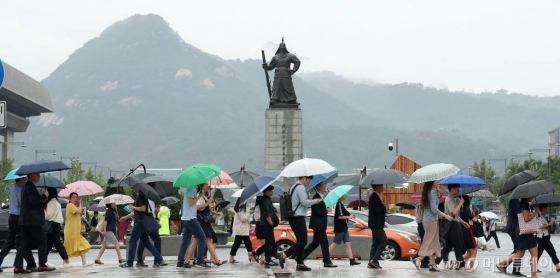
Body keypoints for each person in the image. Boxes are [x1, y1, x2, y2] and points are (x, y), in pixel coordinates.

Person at [277, 176, 322, 271]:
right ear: (304, 178)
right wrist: (315, 201)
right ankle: (285, 254)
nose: (309, 182)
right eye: (309, 179)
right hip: (298, 217)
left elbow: (300, 203)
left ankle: (300, 264)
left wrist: (308, 199)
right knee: (303, 241)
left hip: (293, 217)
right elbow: (305, 203)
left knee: (300, 241)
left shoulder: (293, 186)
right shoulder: (301, 187)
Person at [14, 172, 55, 274]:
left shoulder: (26, 186)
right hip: (32, 221)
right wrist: (44, 196)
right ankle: (42, 264)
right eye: (38, 174)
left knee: (23, 244)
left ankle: (18, 266)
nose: (39, 176)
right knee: (42, 241)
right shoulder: (30, 186)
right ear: (32, 175)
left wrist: (43, 201)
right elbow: (33, 202)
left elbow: (32, 203)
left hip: (26, 220)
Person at [413, 181, 454, 272]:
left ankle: (432, 264)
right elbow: (434, 209)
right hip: (431, 220)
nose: (438, 182)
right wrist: (445, 215)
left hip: (430, 220)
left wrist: (437, 196)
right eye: (436, 180)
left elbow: (432, 206)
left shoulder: (429, 191)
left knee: (434, 242)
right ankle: (419, 258)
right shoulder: (431, 192)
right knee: (428, 240)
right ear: (432, 182)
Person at [119, 189, 164, 268]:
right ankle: (159, 258)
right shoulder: (144, 196)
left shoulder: (141, 196)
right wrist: (127, 216)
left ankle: (129, 262)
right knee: (147, 243)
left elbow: (143, 208)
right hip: (144, 222)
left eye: (133, 188)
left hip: (140, 222)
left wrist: (133, 207)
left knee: (132, 242)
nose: (133, 190)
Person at [0, 177, 37, 272]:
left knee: (10, 242)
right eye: (25, 179)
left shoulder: (13, 189)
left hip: (12, 216)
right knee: (23, 240)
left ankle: (30, 264)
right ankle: (29, 264)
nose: (26, 181)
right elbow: (23, 204)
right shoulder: (20, 190)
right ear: (21, 180)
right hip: (18, 217)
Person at [496, 197, 539, 278]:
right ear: (527, 196)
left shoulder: (521, 205)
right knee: (534, 254)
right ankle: (534, 275)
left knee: (519, 254)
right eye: (531, 196)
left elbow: (523, 217)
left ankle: (500, 263)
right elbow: (526, 219)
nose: (532, 197)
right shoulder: (525, 205)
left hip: (521, 231)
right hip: (526, 233)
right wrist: (535, 213)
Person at [302, 182, 337, 268]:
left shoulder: (321, 197)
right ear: (318, 187)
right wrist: (326, 211)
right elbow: (316, 211)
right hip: (318, 225)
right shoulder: (316, 198)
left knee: (315, 243)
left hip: (319, 224)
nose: (325, 187)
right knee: (324, 243)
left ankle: (299, 257)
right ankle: (327, 261)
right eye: (324, 185)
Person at [435, 184, 469, 270]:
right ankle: (461, 265)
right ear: (452, 189)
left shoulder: (453, 199)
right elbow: (453, 213)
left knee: (448, 247)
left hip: (454, 224)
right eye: (457, 189)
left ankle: (435, 262)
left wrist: (463, 222)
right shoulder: (449, 199)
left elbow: (456, 216)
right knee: (458, 246)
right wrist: (460, 203)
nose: (458, 190)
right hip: (452, 226)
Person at [177, 183, 208, 268]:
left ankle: (180, 262)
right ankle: (200, 261)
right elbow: (190, 202)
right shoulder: (191, 188)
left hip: (186, 218)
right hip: (190, 218)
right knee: (202, 238)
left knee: (186, 241)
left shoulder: (191, 188)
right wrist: (200, 196)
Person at [262, 38, 301, 106]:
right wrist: (266, 67)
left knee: (288, 87)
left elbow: (297, 62)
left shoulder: (290, 56)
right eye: (281, 48)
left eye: (283, 48)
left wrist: (293, 70)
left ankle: (292, 100)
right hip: (278, 74)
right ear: (279, 48)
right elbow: (271, 66)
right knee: (276, 86)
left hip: (286, 73)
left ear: (285, 48)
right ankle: (275, 99)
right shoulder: (275, 57)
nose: (282, 49)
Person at [195, 183, 225, 266]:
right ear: (202, 186)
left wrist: (212, 210)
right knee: (208, 239)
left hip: (205, 221)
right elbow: (197, 207)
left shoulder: (204, 196)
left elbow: (204, 207)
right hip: (202, 220)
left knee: (211, 239)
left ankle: (211, 259)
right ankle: (214, 259)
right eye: (206, 185)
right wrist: (208, 203)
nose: (208, 187)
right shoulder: (199, 195)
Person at [328, 194, 361, 266]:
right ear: (340, 196)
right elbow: (339, 216)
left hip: (344, 228)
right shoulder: (339, 204)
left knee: (348, 244)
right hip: (340, 228)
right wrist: (349, 216)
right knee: (335, 243)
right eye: (344, 195)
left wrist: (351, 215)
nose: (345, 196)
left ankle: (351, 260)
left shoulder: (341, 205)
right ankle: (326, 257)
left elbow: (345, 213)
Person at [63, 192, 93, 267]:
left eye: (76, 197)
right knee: (68, 246)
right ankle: (65, 262)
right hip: (71, 230)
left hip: (75, 231)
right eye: (73, 197)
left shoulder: (73, 206)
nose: (75, 199)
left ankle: (83, 262)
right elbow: (79, 211)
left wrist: (80, 211)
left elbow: (79, 213)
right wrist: (80, 204)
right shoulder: (70, 205)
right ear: (70, 198)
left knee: (81, 245)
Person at [44, 187, 70, 268]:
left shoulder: (51, 203)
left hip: (53, 225)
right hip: (56, 224)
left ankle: (66, 260)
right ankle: (43, 260)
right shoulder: (55, 202)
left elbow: (48, 216)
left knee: (57, 243)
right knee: (48, 244)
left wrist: (42, 210)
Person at [253, 186, 279, 268]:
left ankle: (257, 253)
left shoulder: (267, 199)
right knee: (269, 242)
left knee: (270, 242)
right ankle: (268, 260)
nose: (272, 192)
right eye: (270, 190)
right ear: (266, 191)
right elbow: (266, 213)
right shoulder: (264, 200)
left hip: (268, 224)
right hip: (267, 224)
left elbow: (269, 210)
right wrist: (271, 222)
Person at [367, 184, 387, 269]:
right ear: (377, 187)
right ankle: (374, 260)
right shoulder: (374, 197)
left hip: (376, 224)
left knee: (375, 243)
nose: (382, 187)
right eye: (381, 186)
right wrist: (384, 208)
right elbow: (374, 210)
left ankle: (371, 262)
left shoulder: (377, 196)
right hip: (376, 224)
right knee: (384, 241)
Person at [536, 204, 560, 272]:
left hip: (546, 237)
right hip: (541, 238)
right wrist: (549, 224)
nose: (547, 210)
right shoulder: (539, 217)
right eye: (546, 208)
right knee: (538, 253)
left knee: (552, 251)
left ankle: (557, 266)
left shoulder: (545, 216)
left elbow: (546, 225)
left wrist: (549, 223)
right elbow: (540, 226)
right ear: (543, 209)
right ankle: (534, 267)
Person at [229, 198, 254, 263]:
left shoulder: (243, 210)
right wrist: (249, 213)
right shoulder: (239, 210)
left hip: (243, 230)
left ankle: (250, 257)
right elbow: (243, 219)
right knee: (239, 244)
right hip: (241, 230)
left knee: (247, 244)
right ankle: (231, 258)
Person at [460, 195, 478, 270]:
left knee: (469, 253)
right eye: (469, 200)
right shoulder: (466, 210)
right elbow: (474, 220)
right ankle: (471, 267)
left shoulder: (461, 210)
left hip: (464, 232)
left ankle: (455, 261)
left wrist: (473, 212)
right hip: (468, 232)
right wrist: (476, 214)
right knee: (474, 251)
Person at [505, 198, 522, 275]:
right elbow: (518, 214)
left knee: (518, 249)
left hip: (514, 228)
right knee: (519, 249)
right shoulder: (514, 200)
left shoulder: (516, 200)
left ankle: (505, 265)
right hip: (513, 228)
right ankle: (515, 270)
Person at [251, 196, 267, 264]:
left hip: (261, 225)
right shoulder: (258, 207)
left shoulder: (258, 206)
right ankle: (256, 252)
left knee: (264, 243)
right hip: (260, 225)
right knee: (265, 244)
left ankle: (262, 258)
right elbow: (258, 217)